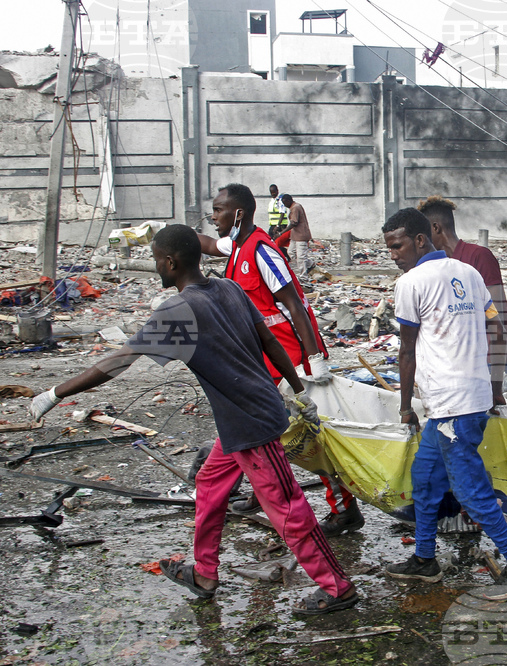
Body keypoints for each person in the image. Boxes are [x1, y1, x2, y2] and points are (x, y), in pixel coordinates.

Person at [29, 225, 357, 615]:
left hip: (252, 422)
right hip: (240, 419)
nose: (156, 268)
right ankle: (204, 573)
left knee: (287, 508)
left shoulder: (179, 310)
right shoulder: (229, 288)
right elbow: (269, 341)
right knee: (210, 482)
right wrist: (295, 389)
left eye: (156, 260)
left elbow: (116, 363)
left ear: (171, 261)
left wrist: (54, 394)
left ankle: (337, 588)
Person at [382, 208, 507, 600]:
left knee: (471, 491)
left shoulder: (411, 282)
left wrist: (405, 406)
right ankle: (424, 559)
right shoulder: (468, 273)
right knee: (424, 480)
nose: (393, 254)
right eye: (387, 247)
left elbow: (407, 350)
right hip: (463, 399)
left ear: (420, 240)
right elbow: (494, 325)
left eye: (397, 245)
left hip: (452, 404)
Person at [197, 183, 364, 537]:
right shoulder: (237, 246)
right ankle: (264, 493)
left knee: (307, 440)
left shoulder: (262, 251)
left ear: (238, 213)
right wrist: (176, 237)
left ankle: (345, 509)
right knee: (264, 434)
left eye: (218, 210)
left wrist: (314, 359)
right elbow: (209, 245)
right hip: (263, 360)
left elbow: (296, 304)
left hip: (289, 361)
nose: (213, 217)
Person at [420, 195, 507, 377]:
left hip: (494, 357)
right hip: (466, 359)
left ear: (435, 228)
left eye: (423, 233)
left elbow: (497, 315)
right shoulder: (439, 266)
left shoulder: (478, 256)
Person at [281, 194, 312, 278]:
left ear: (288, 201)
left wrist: (282, 233)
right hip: (295, 235)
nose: (284, 205)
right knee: (291, 252)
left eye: (284, 203)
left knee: (301, 257)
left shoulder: (295, 208)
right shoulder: (293, 207)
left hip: (301, 235)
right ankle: (310, 264)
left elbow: (294, 222)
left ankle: (303, 276)